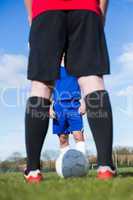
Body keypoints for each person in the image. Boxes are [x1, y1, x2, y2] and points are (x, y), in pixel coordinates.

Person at [24, 0, 116, 183]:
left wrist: (32, 18)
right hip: (86, 8)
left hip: (45, 9)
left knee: (41, 85)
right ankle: (105, 166)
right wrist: (100, 15)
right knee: (92, 80)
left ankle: (33, 170)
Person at [50, 64, 86, 155]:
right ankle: (65, 165)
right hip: (58, 105)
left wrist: (84, 103)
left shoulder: (76, 65)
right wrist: (49, 107)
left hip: (74, 104)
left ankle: (81, 164)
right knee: (62, 138)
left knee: (78, 135)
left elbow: (84, 85)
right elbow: (49, 88)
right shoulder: (53, 67)